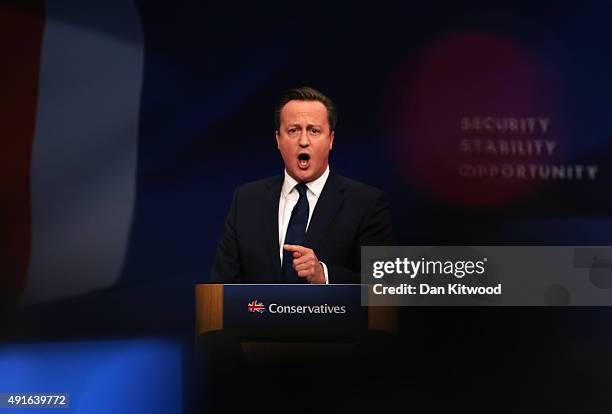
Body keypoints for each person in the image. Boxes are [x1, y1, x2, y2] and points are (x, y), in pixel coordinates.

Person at [211, 86, 391, 284]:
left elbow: (384, 286)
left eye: (314, 131)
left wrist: (325, 275)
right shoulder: (246, 200)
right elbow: (222, 287)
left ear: (330, 139)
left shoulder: (366, 203)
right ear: (278, 139)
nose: (303, 141)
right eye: (293, 130)